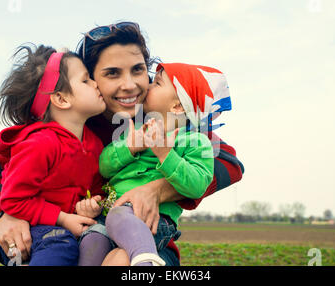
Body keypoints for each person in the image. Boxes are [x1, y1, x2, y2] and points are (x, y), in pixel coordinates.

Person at [0, 22, 245, 266]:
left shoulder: (158, 121)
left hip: (141, 242)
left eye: (138, 70)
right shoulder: (70, 122)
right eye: (112, 73)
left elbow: (229, 162)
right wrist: (1, 215)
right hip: (61, 240)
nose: (130, 85)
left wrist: (158, 189)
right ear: (91, 80)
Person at [78, 62, 231, 266]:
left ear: (177, 106)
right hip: (107, 217)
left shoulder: (195, 141)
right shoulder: (134, 131)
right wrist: (130, 147)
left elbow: (198, 185)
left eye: (157, 83)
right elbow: (104, 166)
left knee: (119, 246)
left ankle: (144, 260)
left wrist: (166, 155)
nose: (148, 85)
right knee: (91, 241)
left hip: (151, 220)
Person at [0, 44, 107, 265]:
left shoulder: (94, 144)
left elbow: (96, 187)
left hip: (61, 228)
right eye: (85, 80)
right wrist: (62, 218)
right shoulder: (39, 144)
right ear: (61, 99)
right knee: (60, 244)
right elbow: (13, 200)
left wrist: (92, 204)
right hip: (26, 229)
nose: (95, 83)